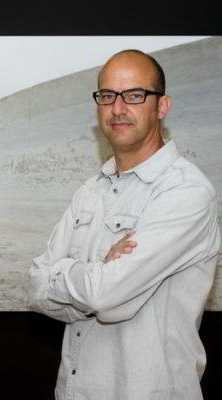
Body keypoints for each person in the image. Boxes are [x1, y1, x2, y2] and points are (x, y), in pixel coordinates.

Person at [27, 49, 220, 400]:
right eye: (107, 96)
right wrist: (97, 271)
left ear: (162, 106)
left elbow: (107, 297)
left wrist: (72, 278)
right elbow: (37, 287)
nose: (117, 108)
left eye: (134, 95)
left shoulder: (187, 192)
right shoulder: (90, 192)